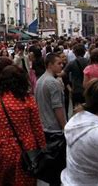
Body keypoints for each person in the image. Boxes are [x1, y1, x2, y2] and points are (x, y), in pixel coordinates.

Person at [0, 65, 46, 186]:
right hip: (26, 148)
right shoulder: (29, 100)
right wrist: (42, 148)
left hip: (1, 148)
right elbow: (37, 128)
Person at [35, 53, 66, 186]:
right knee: (58, 169)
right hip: (54, 129)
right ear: (49, 64)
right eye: (58, 63)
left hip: (44, 127)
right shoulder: (52, 82)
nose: (61, 65)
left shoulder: (40, 80)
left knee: (50, 167)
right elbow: (57, 107)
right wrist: (64, 126)